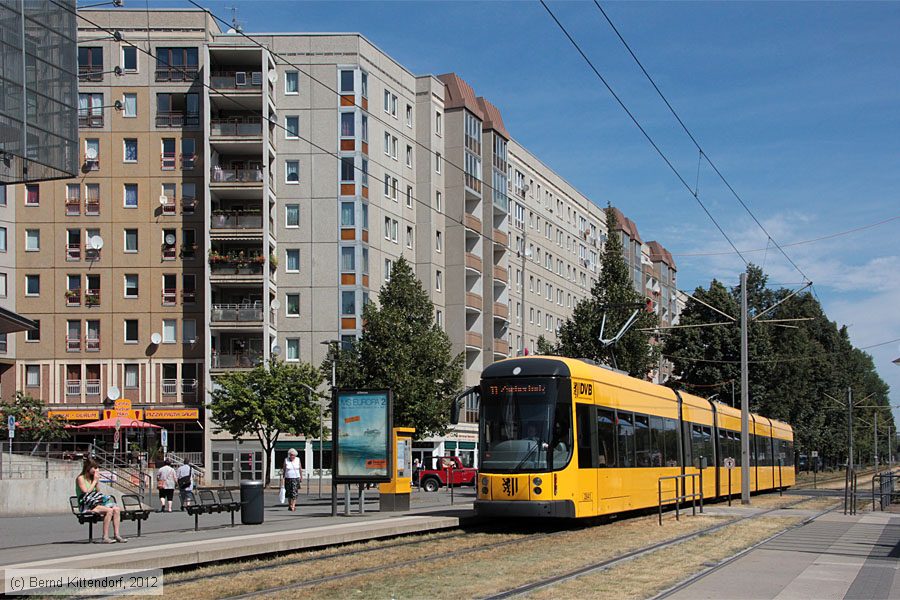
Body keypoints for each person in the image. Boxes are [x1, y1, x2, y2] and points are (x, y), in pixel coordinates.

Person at [75, 459, 126, 543]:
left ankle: (117, 535)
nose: (96, 470)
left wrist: (97, 482)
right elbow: (86, 492)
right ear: (88, 468)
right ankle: (105, 537)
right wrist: (94, 481)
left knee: (116, 509)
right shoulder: (80, 478)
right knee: (109, 511)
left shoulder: (92, 479)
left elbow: (97, 492)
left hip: (95, 503)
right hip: (86, 505)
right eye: (94, 468)